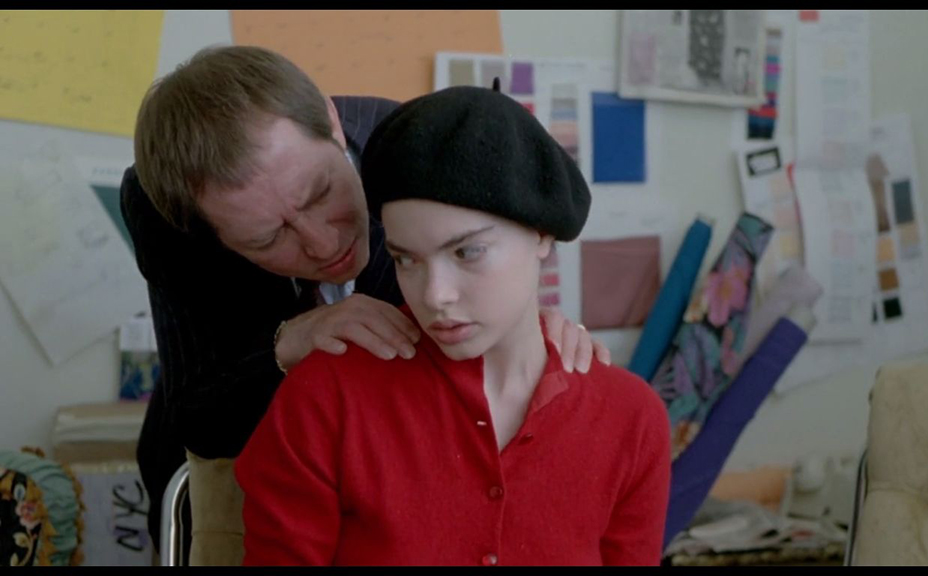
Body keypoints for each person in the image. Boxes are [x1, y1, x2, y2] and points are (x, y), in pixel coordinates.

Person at [120, 45, 610, 552]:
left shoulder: (418, 145)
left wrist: (524, 328)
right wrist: (289, 344)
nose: (322, 244)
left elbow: (489, 271)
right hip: (237, 473)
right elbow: (199, 416)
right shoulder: (164, 207)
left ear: (332, 123)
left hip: (412, 484)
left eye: (320, 194)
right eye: (268, 239)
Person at [235, 85, 671, 566]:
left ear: (542, 234)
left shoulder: (631, 419)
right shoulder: (324, 400)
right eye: (407, 259)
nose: (434, 295)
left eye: (467, 251)